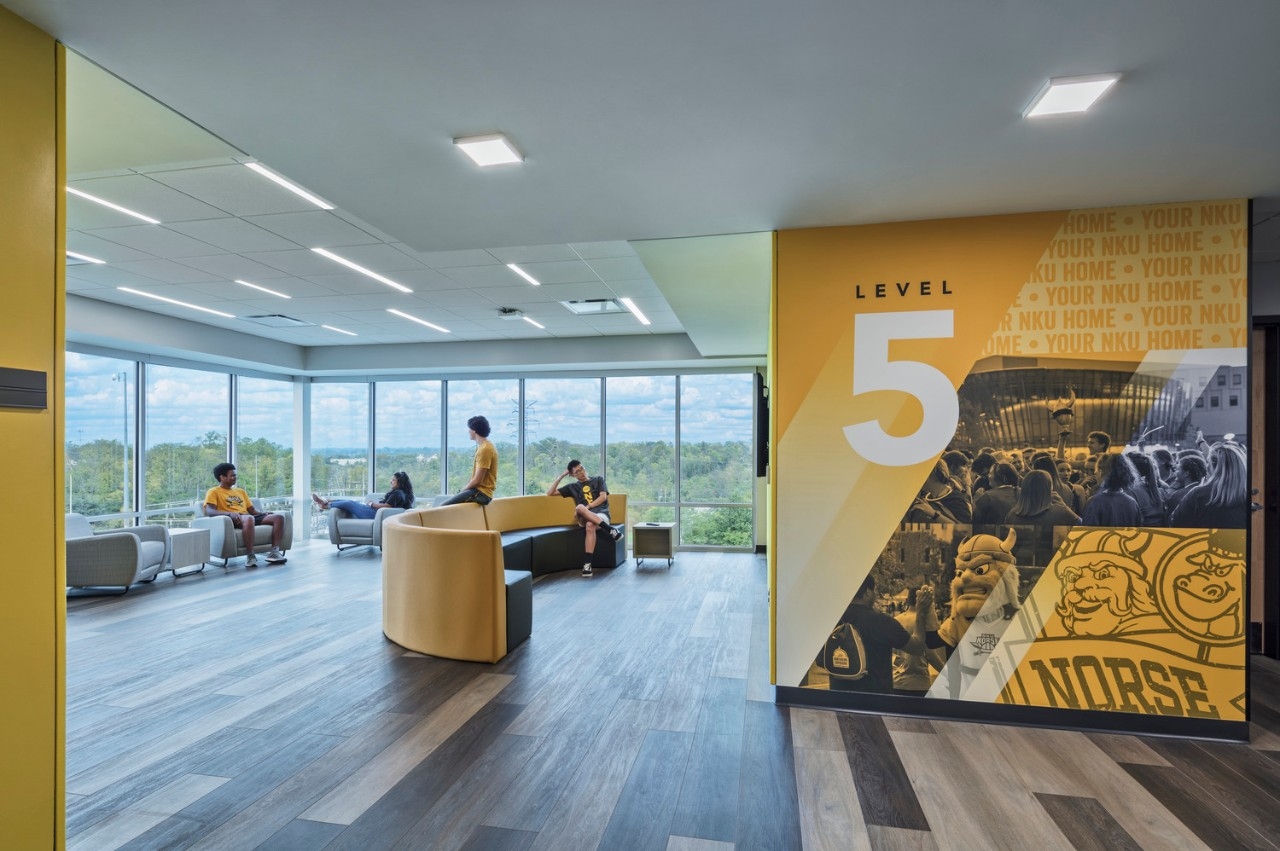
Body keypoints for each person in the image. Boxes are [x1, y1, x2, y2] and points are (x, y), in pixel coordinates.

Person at [827, 575, 934, 694]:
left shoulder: (832, 620)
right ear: (868, 592)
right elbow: (917, 647)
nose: (875, 595)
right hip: (874, 701)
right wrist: (920, 612)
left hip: (838, 699)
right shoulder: (880, 621)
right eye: (874, 591)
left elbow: (820, 660)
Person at [548, 459, 622, 577]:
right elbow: (550, 493)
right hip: (583, 516)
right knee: (580, 508)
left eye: (581, 468)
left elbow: (603, 497)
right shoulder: (572, 487)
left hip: (601, 515)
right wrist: (562, 476)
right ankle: (611, 530)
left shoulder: (598, 480)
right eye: (577, 472)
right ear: (572, 475)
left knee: (590, 524)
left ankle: (587, 564)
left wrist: (589, 506)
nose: (581, 472)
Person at [203, 462, 287, 566]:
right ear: (222, 477)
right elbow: (210, 511)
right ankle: (250, 555)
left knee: (279, 518)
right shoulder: (213, 491)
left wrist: (263, 513)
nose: (235, 477)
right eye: (232, 475)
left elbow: (251, 509)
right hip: (233, 520)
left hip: (248, 517)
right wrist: (230, 514)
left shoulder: (240, 491)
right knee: (249, 519)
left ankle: (274, 552)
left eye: (235, 475)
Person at [1170, 441, 1249, 528]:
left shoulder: (1198, 494)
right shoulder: (1250, 496)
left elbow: (1175, 523)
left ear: (1215, 467)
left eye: (1208, 462)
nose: (1206, 466)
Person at [442, 415, 498, 505]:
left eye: (469, 429)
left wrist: (463, 491)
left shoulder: (485, 449)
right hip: (479, 491)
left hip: (481, 493)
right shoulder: (485, 446)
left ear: (474, 430)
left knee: (443, 507)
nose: (468, 431)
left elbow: (477, 480)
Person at [312, 471, 415, 518]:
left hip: (373, 514)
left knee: (350, 503)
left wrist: (371, 504)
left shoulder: (398, 493)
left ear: (400, 483)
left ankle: (324, 504)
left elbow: (387, 506)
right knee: (350, 503)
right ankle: (325, 502)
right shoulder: (403, 493)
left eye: (393, 480)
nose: (390, 482)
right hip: (374, 513)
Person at [1080, 453, 1141, 527]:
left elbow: (1088, 533)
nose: (1095, 473)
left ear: (1101, 471)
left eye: (1096, 469)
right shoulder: (1133, 502)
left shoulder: (1094, 502)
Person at [1004, 469, 1079, 526]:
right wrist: (1064, 506)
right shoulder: (1060, 512)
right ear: (1049, 488)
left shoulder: (1011, 515)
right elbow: (1083, 525)